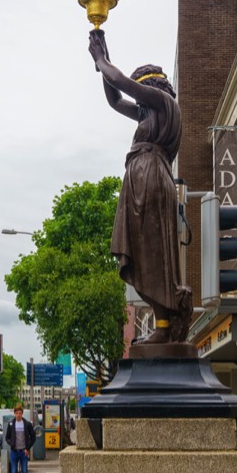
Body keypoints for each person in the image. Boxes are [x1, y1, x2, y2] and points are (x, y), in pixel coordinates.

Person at [88, 30, 192, 344]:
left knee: (153, 252)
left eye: (140, 92)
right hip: (141, 179)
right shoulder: (149, 113)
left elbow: (122, 84)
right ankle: (162, 323)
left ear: (150, 87)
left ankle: (164, 325)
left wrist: (103, 61)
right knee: (147, 254)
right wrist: (101, 65)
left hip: (150, 180)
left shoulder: (163, 103)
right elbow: (115, 99)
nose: (138, 102)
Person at [5, 405, 36, 473]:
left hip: (24, 452)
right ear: (14, 414)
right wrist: (12, 444)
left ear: (22, 414)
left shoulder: (26, 424)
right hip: (14, 452)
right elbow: (7, 437)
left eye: (20, 413)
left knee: (25, 472)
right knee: (13, 472)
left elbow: (33, 437)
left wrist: (28, 448)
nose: (18, 415)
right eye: (17, 413)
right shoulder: (11, 424)